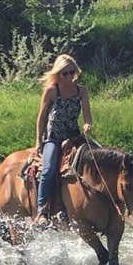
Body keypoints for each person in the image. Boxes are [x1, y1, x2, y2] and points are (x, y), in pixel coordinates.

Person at [34, 53, 93, 226]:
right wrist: (39, 141)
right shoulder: (52, 91)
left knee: (98, 160)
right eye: (64, 73)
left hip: (74, 136)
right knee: (49, 170)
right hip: (54, 137)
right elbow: (42, 117)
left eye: (71, 72)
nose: (68, 76)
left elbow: (87, 116)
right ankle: (42, 210)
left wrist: (87, 125)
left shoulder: (81, 91)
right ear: (58, 73)